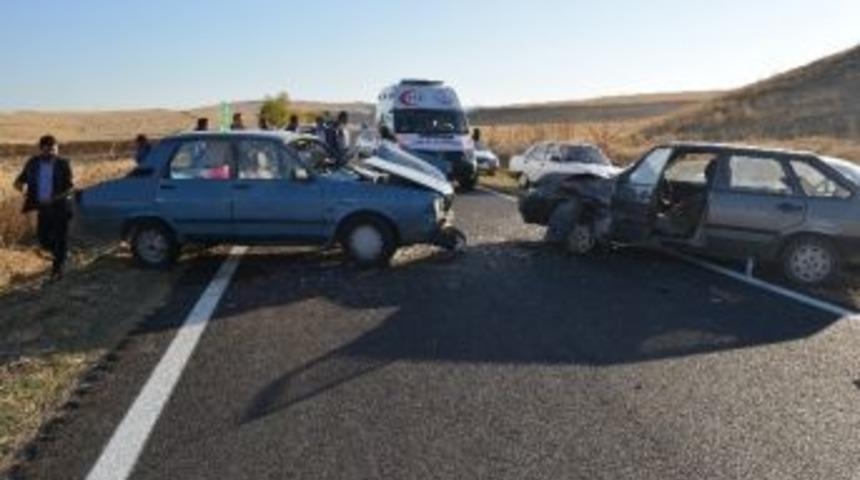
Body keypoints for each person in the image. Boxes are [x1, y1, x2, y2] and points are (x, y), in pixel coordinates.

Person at [13, 135, 74, 281]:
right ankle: (63, 255)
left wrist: (55, 198)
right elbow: (19, 181)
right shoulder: (32, 163)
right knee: (43, 239)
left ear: (57, 148)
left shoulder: (63, 164)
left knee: (60, 238)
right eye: (48, 150)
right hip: (42, 208)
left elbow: (70, 187)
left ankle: (57, 271)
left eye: (54, 149)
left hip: (60, 207)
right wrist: (21, 188)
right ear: (41, 150)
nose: (52, 153)